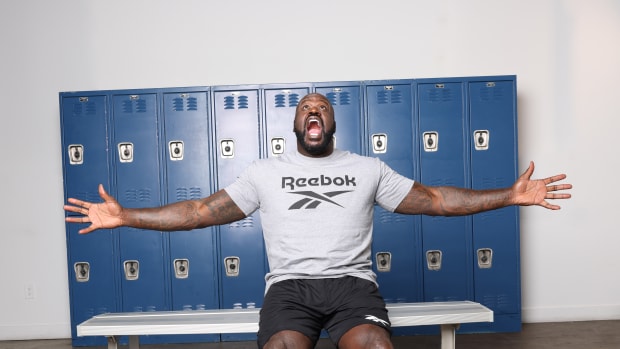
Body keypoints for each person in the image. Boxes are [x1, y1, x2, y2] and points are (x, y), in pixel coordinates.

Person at [64, 93, 572, 349]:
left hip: (354, 286)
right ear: (295, 125)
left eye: (322, 108)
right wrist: (126, 215)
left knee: (374, 346)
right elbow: (199, 212)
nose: (314, 111)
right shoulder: (265, 172)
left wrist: (508, 194)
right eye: (306, 108)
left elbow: (437, 199)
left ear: (331, 123)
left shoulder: (366, 168)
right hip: (289, 288)